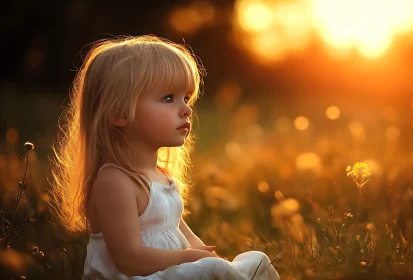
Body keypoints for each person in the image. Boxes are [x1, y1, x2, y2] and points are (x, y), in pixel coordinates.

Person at [49, 35, 280, 280]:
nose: (186, 109)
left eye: (186, 98)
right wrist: (190, 258)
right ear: (119, 113)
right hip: (138, 276)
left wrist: (208, 257)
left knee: (257, 262)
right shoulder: (115, 181)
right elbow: (129, 260)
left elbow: (183, 235)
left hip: (168, 273)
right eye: (168, 98)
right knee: (216, 271)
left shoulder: (161, 177)